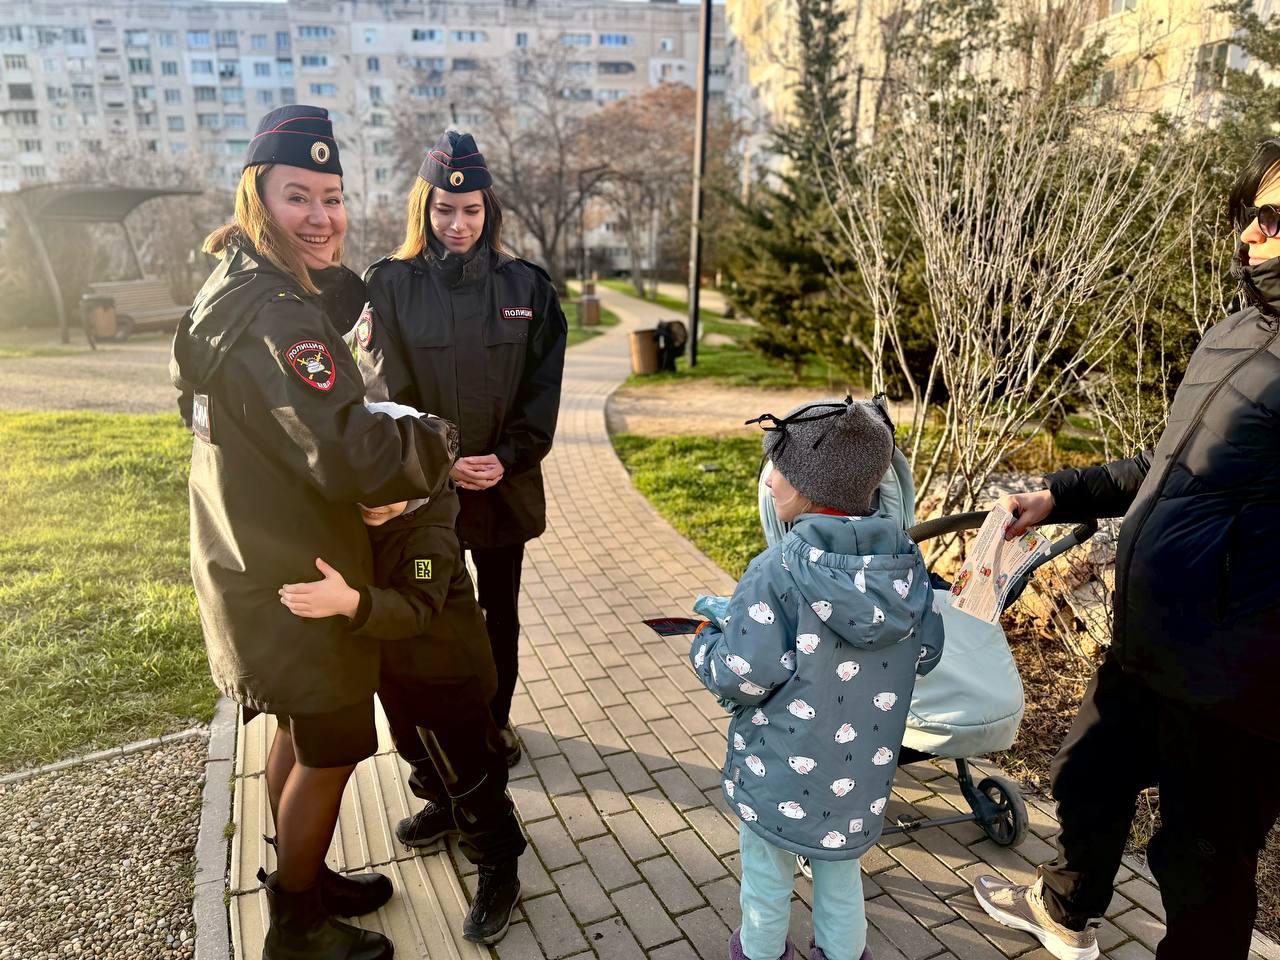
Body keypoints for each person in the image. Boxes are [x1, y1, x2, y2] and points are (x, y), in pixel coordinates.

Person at [972, 139, 1280, 960]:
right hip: (1151, 637)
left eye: (1272, 219)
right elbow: (1169, 464)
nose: (1249, 236)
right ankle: (1068, 912)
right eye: (1250, 216)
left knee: (1202, 862)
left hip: (1237, 679)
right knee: (1086, 777)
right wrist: (1058, 495)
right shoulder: (1234, 334)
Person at [170, 105, 458, 960]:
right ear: (259, 195)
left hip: (251, 554)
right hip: (296, 574)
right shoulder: (282, 317)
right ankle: (295, 922)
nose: (324, 217)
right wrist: (434, 442)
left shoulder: (235, 281)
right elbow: (359, 454)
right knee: (330, 745)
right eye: (300, 196)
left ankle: (300, 871)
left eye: (333, 196)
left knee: (297, 731)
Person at [689, 398, 945, 960]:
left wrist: (707, 642)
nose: (769, 478)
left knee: (765, 875)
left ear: (807, 486)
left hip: (778, 769)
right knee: (840, 875)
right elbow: (925, 651)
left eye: (779, 467)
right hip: (859, 775)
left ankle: (758, 952)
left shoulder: (777, 570)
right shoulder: (904, 563)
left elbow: (743, 674)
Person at [278, 400, 528, 945]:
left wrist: (350, 602)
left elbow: (416, 607)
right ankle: (441, 803)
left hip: (450, 682)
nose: (372, 501)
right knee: (416, 750)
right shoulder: (376, 511)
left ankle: (498, 863)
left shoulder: (428, 541)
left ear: (418, 479)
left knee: (473, 772)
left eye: (387, 487)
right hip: (401, 679)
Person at [357, 130, 568, 775]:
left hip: (504, 486)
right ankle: (437, 749)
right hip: (424, 498)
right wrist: (440, 462)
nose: (458, 224)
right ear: (424, 209)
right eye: (444, 211)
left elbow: (542, 389)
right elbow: (385, 390)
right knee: (432, 614)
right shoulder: (389, 286)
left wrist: (506, 456)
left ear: (490, 210)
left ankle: (493, 726)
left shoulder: (526, 288)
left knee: (498, 616)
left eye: (472, 210)